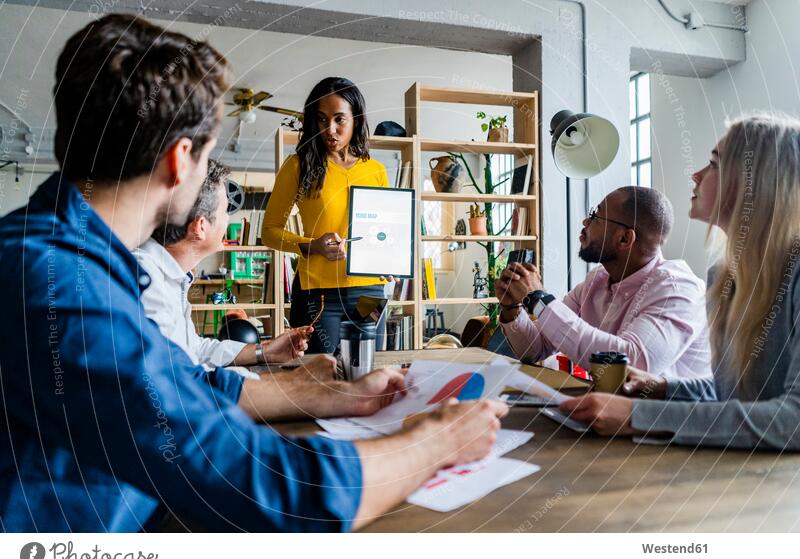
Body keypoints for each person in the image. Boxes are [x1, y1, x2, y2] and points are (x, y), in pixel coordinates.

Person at [0, 14, 507, 532]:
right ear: (180, 162)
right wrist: (434, 442)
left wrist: (321, 393)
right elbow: (265, 486)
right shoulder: (60, 286)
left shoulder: (69, 257)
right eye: (209, 153)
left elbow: (177, 386)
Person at [560, 113, 800, 451]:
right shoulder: (724, 276)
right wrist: (662, 388)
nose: (696, 174)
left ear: (755, 180)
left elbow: (794, 421)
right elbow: (726, 394)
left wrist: (638, 416)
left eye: (714, 164)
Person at [496, 186, 711, 381]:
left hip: (664, 422)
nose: (585, 223)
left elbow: (630, 365)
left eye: (595, 216)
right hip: (611, 414)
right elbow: (537, 349)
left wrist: (539, 299)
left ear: (625, 239)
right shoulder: (596, 280)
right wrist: (511, 308)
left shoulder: (677, 290)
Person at [134, 158, 310, 379]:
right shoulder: (145, 279)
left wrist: (264, 351)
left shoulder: (170, 273)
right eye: (226, 211)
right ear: (200, 227)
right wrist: (293, 383)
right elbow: (178, 380)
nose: (228, 220)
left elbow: (194, 350)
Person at [261, 77, 390, 354]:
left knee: (367, 375)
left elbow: (382, 231)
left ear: (355, 119)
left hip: (370, 293)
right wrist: (312, 245)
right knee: (319, 379)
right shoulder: (298, 166)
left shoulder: (376, 170)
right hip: (319, 296)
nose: (329, 129)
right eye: (321, 119)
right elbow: (270, 231)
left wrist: (389, 258)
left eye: (339, 119)